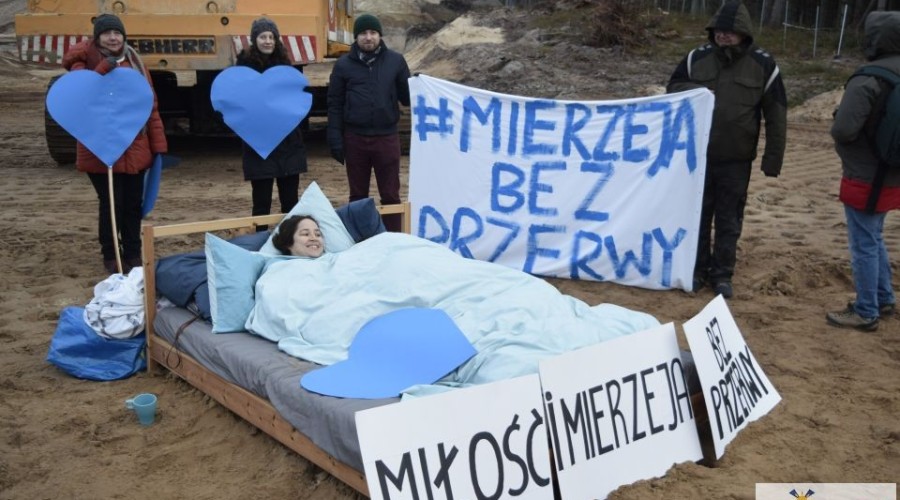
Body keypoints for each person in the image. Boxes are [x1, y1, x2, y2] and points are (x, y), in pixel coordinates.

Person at [666, 0, 787, 299]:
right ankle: (696, 271)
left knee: (729, 219)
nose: (723, 35)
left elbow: (777, 114)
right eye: (719, 30)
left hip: (736, 159)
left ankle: (722, 275)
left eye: (730, 31)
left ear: (744, 33)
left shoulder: (763, 65)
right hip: (697, 158)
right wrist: (696, 91)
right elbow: (672, 89)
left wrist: (773, 159)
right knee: (698, 215)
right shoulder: (697, 58)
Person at [62, 13, 168, 274]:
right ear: (98, 37)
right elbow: (81, 96)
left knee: (133, 203)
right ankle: (111, 254)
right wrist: (102, 70)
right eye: (107, 33)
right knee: (111, 203)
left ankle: (132, 253)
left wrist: (158, 144)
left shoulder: (136, 64)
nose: (113, 37)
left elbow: (149, 105)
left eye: (117, 33)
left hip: (135, 145)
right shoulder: (83, 62)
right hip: (100, 147)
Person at [826, 11, 900, 332]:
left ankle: (866, 309)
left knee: (864, 243)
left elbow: (843, 130)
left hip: (865, 175)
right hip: (893, 173)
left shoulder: (869, 77)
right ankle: (883, 297)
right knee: (875, 236)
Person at [327, 13, 411, 232]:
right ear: (356, 37)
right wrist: (335, 138)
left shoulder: (396, 61)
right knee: (357, 195)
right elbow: (335, 104)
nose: (368, 37)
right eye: (363, 33)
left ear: (379, 35)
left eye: (373, 32)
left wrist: (418, 84)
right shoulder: (343, 65)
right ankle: (360, 238)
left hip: (387, 137)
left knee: (391, 194)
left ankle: (394, 237)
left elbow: (407, 97)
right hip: (355, 139)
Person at [237, 17, 308, 230]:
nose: (267, 41)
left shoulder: (286, 67)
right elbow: (237, 103)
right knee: (261, 202)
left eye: (271, 37)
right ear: (254, 39)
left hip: (288, 142)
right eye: (262, 36)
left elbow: (297, 99)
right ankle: (260, 241)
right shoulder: (243, 69)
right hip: (258, 144)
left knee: (290, 201)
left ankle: (291, 241)